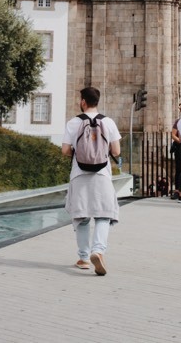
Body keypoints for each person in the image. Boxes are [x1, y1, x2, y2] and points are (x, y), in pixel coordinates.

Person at [62, 86, 121, 275]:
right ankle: (98, 251)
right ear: (98, 101)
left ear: (83, 102)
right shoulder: (109, 122)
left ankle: (84, 258)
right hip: (102, 174)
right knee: (103, 215)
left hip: (79, 174)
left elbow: (64, 150)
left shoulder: (73, 123)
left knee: (82, 217)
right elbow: (116, 151)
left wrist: (79, 152)